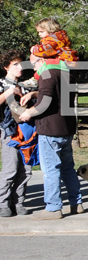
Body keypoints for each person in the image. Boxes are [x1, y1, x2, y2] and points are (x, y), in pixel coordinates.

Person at [18, 54, 83, 219]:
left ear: (42, 61)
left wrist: (28, 113)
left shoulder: (47, 74)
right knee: (68, 168)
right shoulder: (66, 71)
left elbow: (45, 102)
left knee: (50, 170)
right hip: (66, 127)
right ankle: (77, 203)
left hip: (50, 128)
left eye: (33, 64)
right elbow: (56, 96)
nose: (33, 68)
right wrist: (34, 94)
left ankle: (53, 208)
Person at [1, 51, 33, 216]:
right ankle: (3, 203)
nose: (20, 67)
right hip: (9, 131)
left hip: (26, 131)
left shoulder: (25, 85)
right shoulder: (1, 83)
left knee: (25, 169)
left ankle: (18, 202)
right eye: (15, 64)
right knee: (10, 168)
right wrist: (9, 92)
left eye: (21, 63)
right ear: (6, 67)